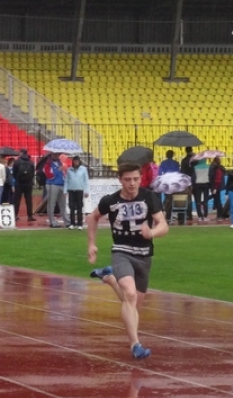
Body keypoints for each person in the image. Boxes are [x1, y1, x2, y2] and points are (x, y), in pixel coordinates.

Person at [87, 163, 169, 360]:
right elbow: (92, 218)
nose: (132, 184)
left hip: (144, 255)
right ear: (120, 180)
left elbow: (163, 225)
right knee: (130, 294)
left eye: (135, 179)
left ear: (141, 179)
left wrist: (152, 233)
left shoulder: (149, 197)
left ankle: (110, 277)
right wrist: (92, 244)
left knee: (132, 304)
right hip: (121, 252)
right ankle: (136, 345)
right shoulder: (111, 200)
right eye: (127, 180)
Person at [65, 156, 89, 229]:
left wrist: (86, 191)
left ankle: (80, 224)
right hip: (71, 190)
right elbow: (66, 181)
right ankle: (72, 223)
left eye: (77, 161)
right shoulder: (69, 170)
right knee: (71, 207)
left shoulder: (83, 169)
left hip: (79, 190)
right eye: (75, 161)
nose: (76, 162)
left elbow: (86, 180)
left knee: (79, 207)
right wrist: (65, 191)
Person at [12, 150, 36, 222]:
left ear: (21, 153)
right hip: (28, 183)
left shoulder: (17, 162)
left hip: (19, 183)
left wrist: (18, 179)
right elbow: (32, 172)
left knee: (17, 200)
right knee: (29, 200)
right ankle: (30, 216)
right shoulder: (30, 162)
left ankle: (15, 215)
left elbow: (14, 172)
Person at [44, 153, 67, 228]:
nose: (55, 156)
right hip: (52, 184)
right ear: (51, 155)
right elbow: (49, 175)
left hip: (61, 184)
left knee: (63, 204)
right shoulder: (48, 164)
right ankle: (52, 221)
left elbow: (63, 174)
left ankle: (67, 221)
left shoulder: (60, 162)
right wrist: (58, 170)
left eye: (57, 155)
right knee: (51, 204)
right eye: (54, 155)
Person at [158, 150, 180, 221]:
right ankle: (170, 213)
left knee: (168, 197)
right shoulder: (176, 163)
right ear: (172, 155)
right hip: (173, 182)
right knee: (172, 197)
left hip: (166, 182)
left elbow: (159, 173)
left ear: (166, 155)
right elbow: (178, 173)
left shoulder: (163, 163)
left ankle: (166, 212)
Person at [180, 147, 196, 222]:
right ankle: (191, 215)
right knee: (195, 198)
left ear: (186, 151)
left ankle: (186, 215)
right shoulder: (195, 160)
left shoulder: (183, 160)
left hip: (186, 181)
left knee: (186, 198)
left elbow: (182, 172)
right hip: (194, 181)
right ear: (192, 150)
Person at [192, 158, 210, 222]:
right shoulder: (208, 167)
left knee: (198, 201)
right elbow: (210, 176)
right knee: (205, 201)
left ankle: (199, 216)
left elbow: (193, 177)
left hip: (198, 185)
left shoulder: (195, 167)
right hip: (206, 184)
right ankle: (205, 216)